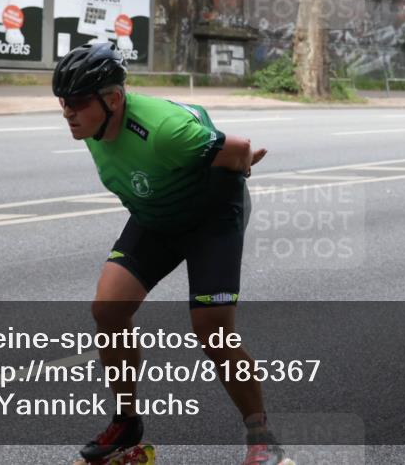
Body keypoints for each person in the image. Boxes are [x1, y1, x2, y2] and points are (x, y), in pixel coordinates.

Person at [54, 43, 292, 465]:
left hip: (212, 217)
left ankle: (261, 436)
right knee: (108, 309)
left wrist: (243, 162)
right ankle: (126, 422)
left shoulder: (164, 130)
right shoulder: (92, 128)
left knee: (211, 328)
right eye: (62, 103)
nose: (67, 112)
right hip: (158, 216)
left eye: (75, 102)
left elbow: (239, 149)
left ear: (113, 99)